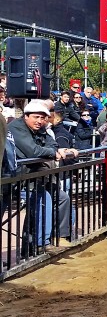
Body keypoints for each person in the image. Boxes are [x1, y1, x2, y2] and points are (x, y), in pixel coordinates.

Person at [9, 100, 76, 247]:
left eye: (42, 117)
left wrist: (56, 150)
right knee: (43, 199)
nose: (39, 121)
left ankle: (60, 236)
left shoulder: (40, 128)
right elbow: (33, 151)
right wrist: (53, 152)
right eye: (36, 117)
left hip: (36, 175)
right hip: (16, 178)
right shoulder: (16, 127)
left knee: (63, 198)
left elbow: (52, 143)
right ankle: (42, 243)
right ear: (26, 116)